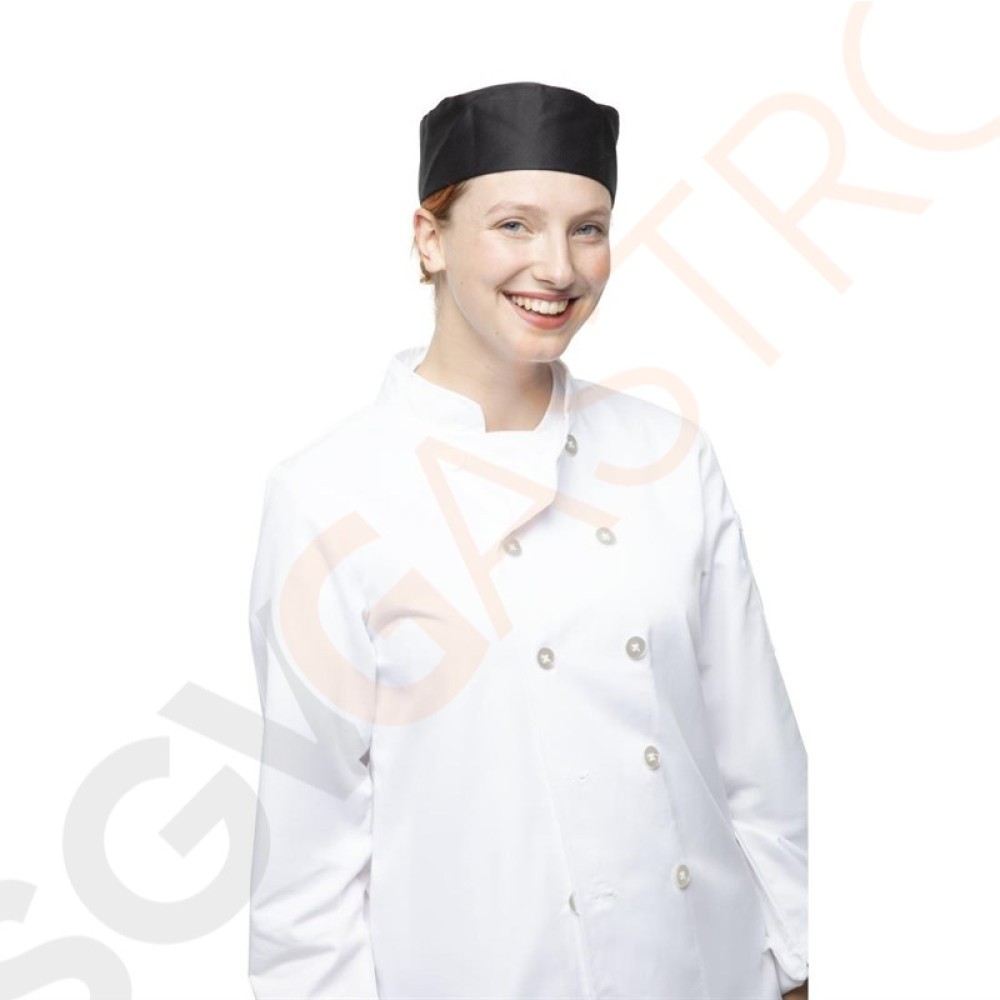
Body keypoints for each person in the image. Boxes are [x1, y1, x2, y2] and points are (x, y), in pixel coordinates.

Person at [246, 81, 808, 1000]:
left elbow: (764, 769)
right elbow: (309, 866)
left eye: (588, 229)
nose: (558, 267)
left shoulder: (668, 457)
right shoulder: (328, 493)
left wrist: (801, 964)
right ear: (429, 239)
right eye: (514, 225)